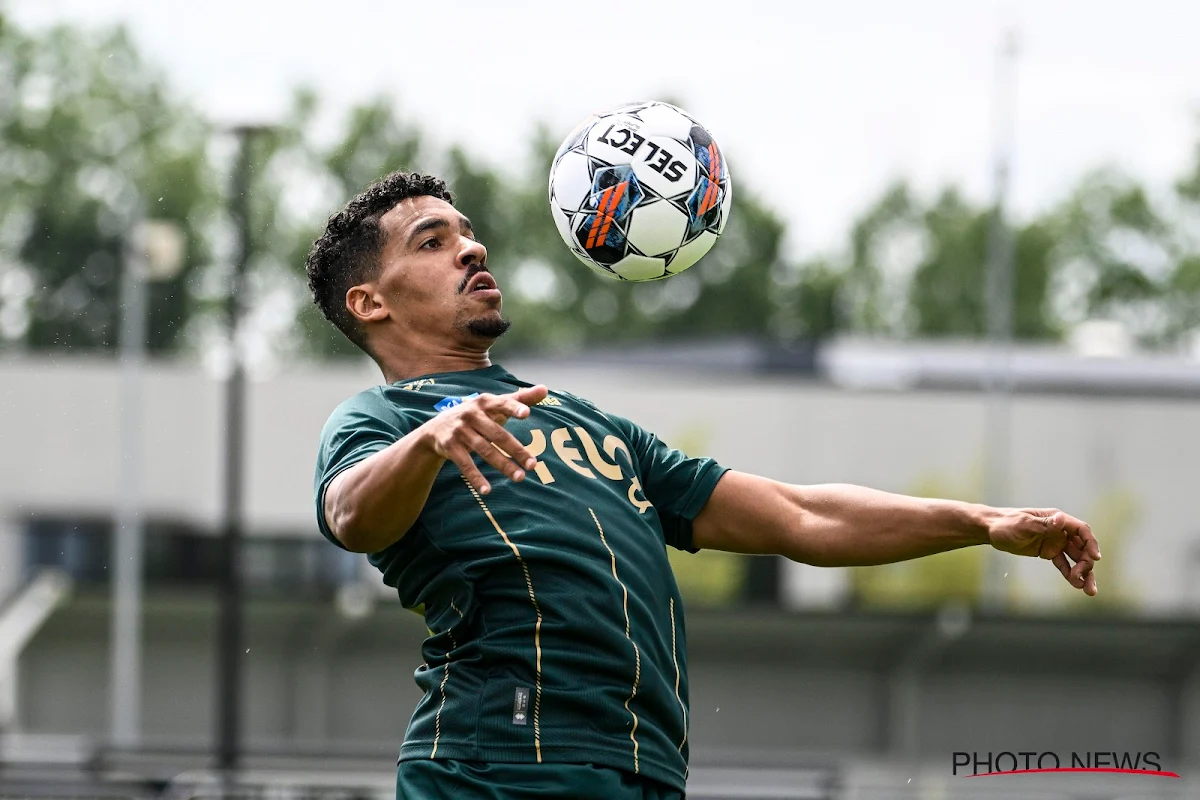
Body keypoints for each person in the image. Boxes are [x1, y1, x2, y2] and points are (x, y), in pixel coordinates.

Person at [306, 171, 1101, 800]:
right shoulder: (378, 419)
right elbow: (351, 515)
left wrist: (982, 519)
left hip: (645, 765)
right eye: (434, 241)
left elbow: (799, 514)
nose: (472, 251)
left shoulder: (592, 427)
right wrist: (424, 445)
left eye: (470, 235)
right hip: (500, 759)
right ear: (369, 302)